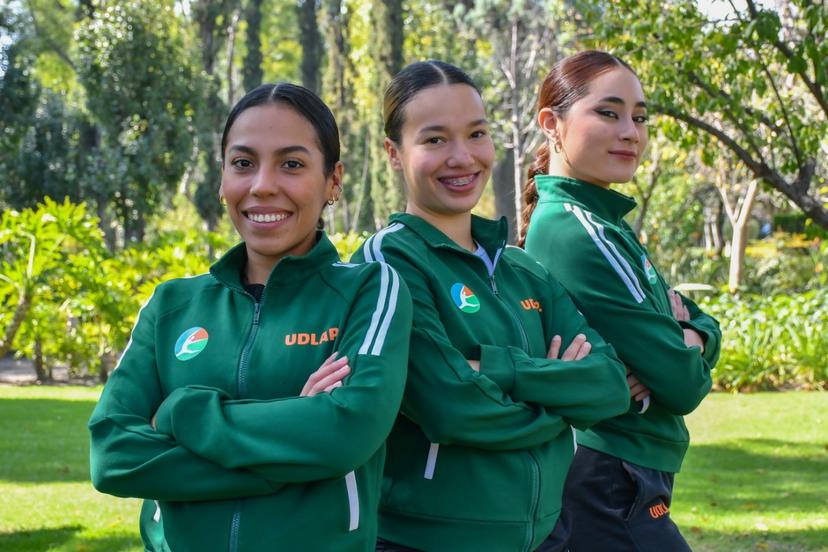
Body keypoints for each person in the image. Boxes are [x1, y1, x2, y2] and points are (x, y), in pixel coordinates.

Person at [89, 83, 412, 551]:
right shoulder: (172, 306)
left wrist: (183, 411)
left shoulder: (368, 290)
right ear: (222, 178)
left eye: (292, 164)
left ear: (333, 181)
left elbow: (345, 433)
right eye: (243, 163)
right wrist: (293, 451)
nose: (262, 184)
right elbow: (112, 456)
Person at [351, 60, 630, 552]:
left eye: (476, 134)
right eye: (435, 140)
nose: (462, 157)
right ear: (394, 154)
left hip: (547, 536)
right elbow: (452, 407)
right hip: (428, 541)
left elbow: (609, 387)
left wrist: (496, 370)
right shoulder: (389, 262)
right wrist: (561, 404)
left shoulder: (522, 267)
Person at [519, 50, 722, 551]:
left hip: (622, 471)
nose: (630, 131)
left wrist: (693, 334)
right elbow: (683, 383)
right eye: (608, 113)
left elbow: (690, 325)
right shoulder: (578, 229)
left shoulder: (603, 223)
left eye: (639, 116)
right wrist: (683, 346)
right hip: (612, 476)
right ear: (552, 123)